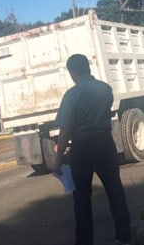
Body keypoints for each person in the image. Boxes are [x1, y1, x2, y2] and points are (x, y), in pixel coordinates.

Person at [53, 54, 131, 245]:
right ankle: (125, 236)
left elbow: (66, 130)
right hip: (105, 143)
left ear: (72, 72)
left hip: (81, 147)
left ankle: (84, 241)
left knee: (81, 198)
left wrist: (58, 157)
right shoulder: (105, 89)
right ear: (87, 67)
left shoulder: (71, 95)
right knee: (115, 191)